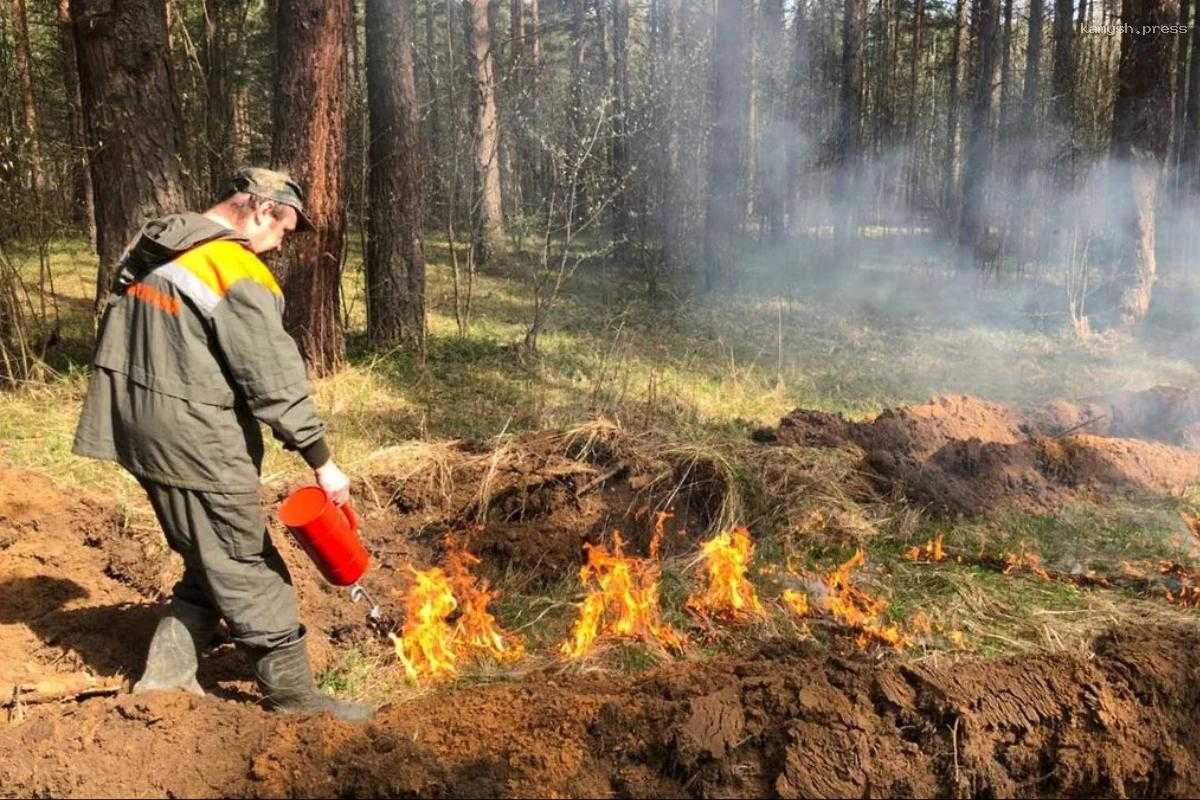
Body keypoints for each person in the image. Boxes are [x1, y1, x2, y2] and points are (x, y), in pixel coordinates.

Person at [72, 167, 372, 722]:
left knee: (205, 556)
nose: (281, 244)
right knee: (244, 559)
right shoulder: (232, 267)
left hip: (138, 427)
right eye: (283, 229)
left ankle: (165, 682)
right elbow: (274, 381)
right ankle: (296, 701)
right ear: (259, 210)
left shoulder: (163, 249)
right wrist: (322, 462)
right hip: (193, 439)